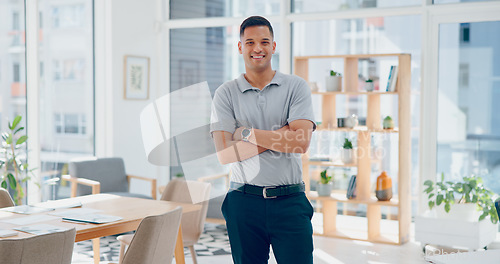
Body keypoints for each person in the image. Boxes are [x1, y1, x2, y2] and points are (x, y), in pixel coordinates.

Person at [210, 16, 316, 264]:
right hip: (243, 203)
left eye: (264, 42)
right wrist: (282, 134)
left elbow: (300, 143)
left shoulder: (296, 87)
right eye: (250, 42)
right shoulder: (225, 93)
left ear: (273, 46)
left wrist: (245, 133)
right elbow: (225, 154)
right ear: (240, 47)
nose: (257, 48)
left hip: (290, 203)